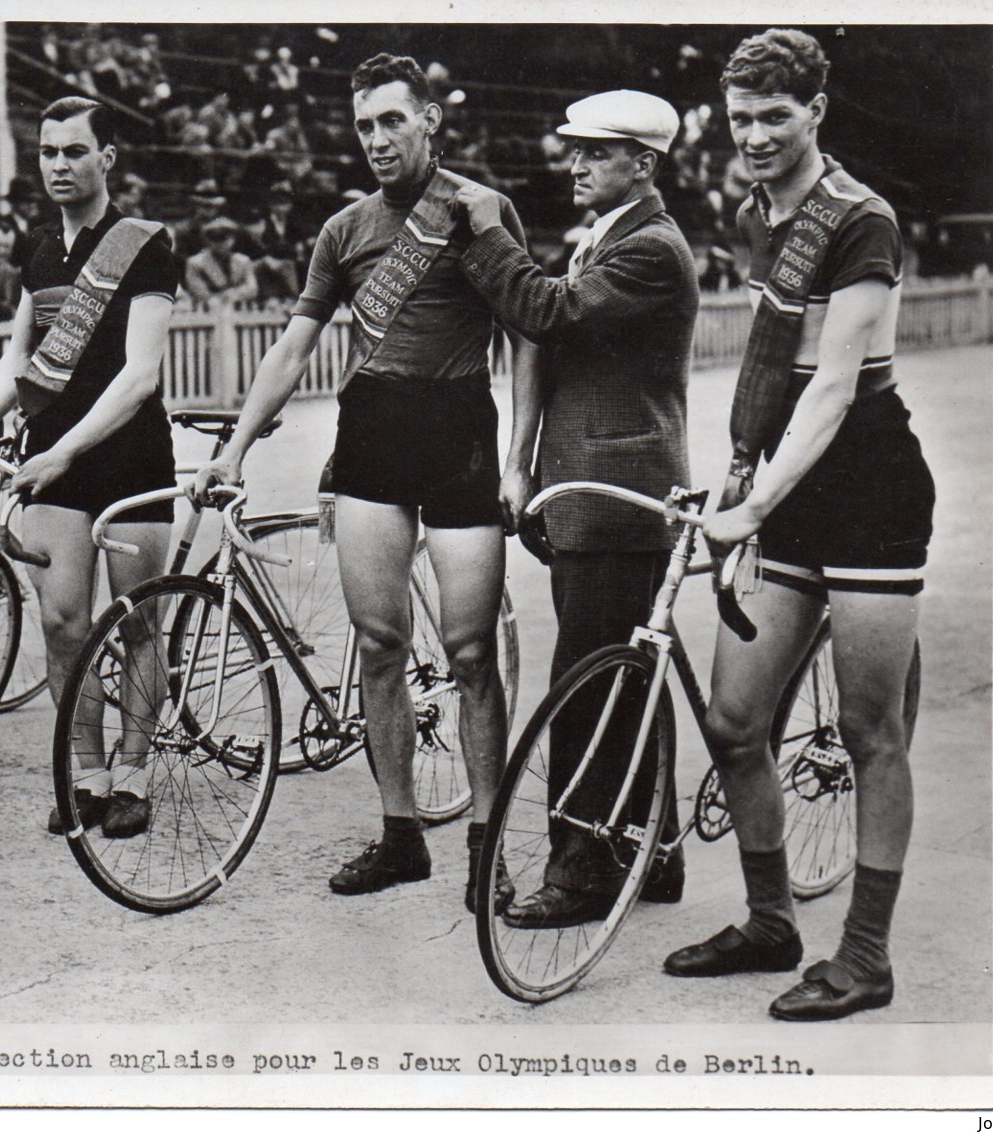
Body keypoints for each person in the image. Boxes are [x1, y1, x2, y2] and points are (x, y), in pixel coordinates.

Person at [194, 53, 532, 910]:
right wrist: (233, 447)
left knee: (468, 651)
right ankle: (400, 835)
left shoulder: (479, 211)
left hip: (460, 434)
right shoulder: (343, 231)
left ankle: (487, 842)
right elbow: (293, 346)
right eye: (364, 126)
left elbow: (529, 334)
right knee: (379, 644)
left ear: (430, 122)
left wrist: (522, 456)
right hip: (372, 437)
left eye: (392, 121)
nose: (377, 140)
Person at [662, 29, 934, 1022]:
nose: (754, 135)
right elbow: (768, 373)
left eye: (774, 116)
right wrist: (736, 477)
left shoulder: (860, 219)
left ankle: (863, 957)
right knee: (734, 721)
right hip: (784, 485)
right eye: (739, 119)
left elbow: (829, 389)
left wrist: (752, 509)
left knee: (870, 731)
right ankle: (770, 920)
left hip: (866, 492)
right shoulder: (751, 214)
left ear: (815, 111)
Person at [453, 89, 698, 928]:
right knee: (628, 678)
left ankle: (581, 870)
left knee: (586, 686)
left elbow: (545, 312)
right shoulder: (611, 238)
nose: (577, 164)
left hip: (620, 502)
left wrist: (487, 232)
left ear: (644, 164)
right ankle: (652, 847)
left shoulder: (652, 250)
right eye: (576, 150)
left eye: (596, 152)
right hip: (600, 497)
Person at [0, 96, 180, 839]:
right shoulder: (40, 251)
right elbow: (20, 358)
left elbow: (141, 374)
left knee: (138, 622)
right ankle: (90, 775)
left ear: (107, 158)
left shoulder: (145, 244)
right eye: (48, 152)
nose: (58, 166)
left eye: (74, 151)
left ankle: (136, 777)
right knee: (62, 619)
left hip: (129, 454)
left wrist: (65, 446)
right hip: (54, 461)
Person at [182, 217, 259, 306]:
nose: (220, 244)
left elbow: (252, 288)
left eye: (224, 239)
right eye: (215, 239)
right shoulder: (195, 263)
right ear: (208, 241)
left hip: (238, 305)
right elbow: (198, 290)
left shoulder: (243, 260)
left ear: (232, 240)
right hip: (208, 307)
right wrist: (219, 298)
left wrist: (234, 294)